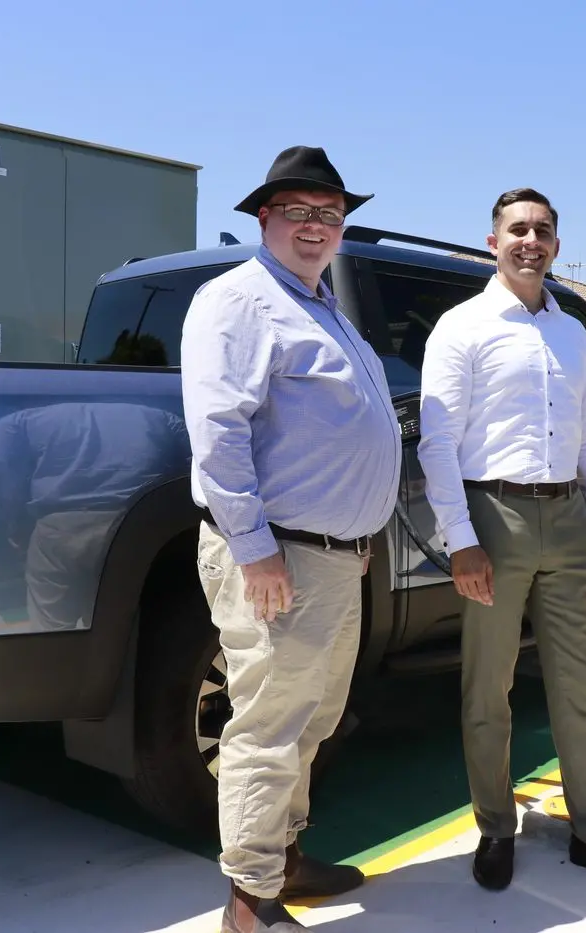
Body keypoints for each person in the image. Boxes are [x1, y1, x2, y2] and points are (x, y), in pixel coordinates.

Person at [416, 187, 586, 892]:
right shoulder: (462, 327)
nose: (529, 241)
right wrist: (461, 539)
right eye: (516, 230)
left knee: (577, 687)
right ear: (492, 241)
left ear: (556, 244)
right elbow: (437, 443)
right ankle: (496, 827)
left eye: (542, 230)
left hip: (568, 520)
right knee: (488, 689)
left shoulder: (569, 332)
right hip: (492, 519)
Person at [180, 145, 402, 933]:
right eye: (301, 212)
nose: (317, 227)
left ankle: (285, 857)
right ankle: (249, 899)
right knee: (269, 725)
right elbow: (218, 430)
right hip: (280, 556)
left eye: (330, 214)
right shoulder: (238, 300)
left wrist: (352, 536)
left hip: (332, 558)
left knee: (311, 720)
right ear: (264, 217)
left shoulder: (318, 305)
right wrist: (255, 547)